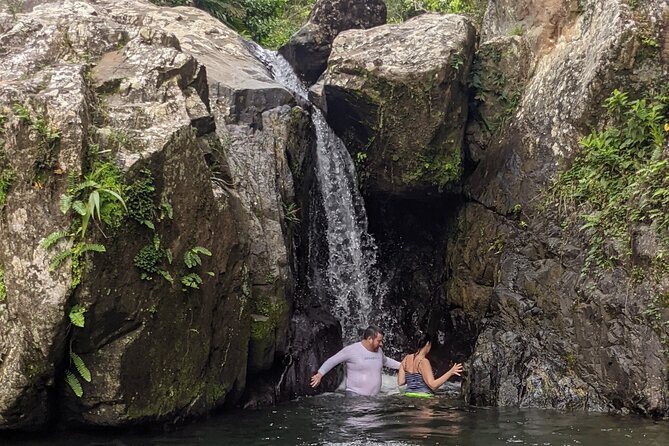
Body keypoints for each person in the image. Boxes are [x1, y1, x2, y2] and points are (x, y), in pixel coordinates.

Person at [310, 325, 401, 396]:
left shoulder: (379, 351)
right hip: (355, 397)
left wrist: (403, 365)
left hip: (373, 398)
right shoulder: (352, 350)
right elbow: (333, 360)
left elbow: (386, 361)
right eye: (379, 341)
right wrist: (319, 374)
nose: (381, 344)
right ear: (370, 339)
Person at [397, 333, 463, 397]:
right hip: (424, 398)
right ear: (428, 343)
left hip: (408, 396)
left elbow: (401, 382)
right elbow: (433, 385)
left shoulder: (406, 359)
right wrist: (451, 372)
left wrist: (413, 380)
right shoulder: (423, 361)